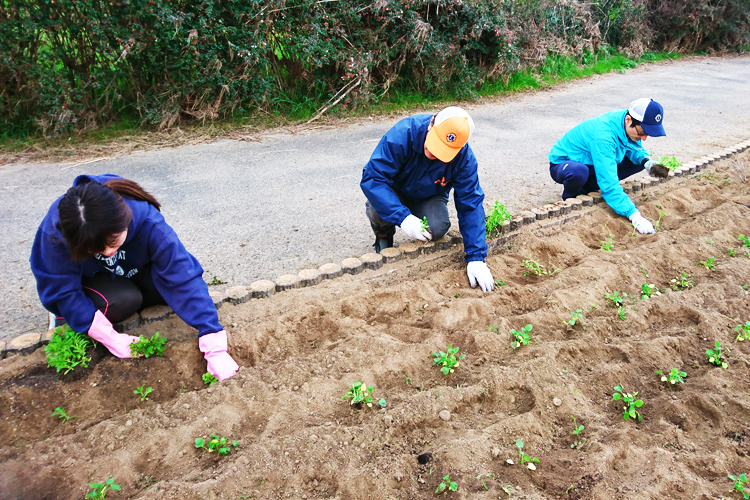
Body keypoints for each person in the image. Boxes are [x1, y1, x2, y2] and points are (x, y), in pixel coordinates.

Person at [30, 174, 238, 380]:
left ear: (125, 221)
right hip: (92, 278)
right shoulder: (57, 232)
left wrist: (214, 343)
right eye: (95, 249)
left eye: (113, 241)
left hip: (131, 268)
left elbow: (182, 274)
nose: (107, 252)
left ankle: (125, 291)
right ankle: (64, 316)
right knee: (122, 301)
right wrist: (112, 339)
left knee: (163, 290)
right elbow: (60, 289)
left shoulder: (147, 220)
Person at [361, 106, 495, 292]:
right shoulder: (404, 134)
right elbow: (373, 179)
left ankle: (413, 218)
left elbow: (471, 204)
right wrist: (403, 217)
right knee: (377, 208)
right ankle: (384, 235)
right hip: (395, 190)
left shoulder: (464, 159)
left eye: (443, 151)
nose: (433, 153)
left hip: (429, 195)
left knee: (437, 227)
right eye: (434, 143)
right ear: (431, 124)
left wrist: (476, 258)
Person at [548, 98, 670, 234]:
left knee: (637, 162)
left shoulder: (626, 122)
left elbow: (633, 148)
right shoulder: (604, 136)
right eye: (642, 133)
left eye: (647, 134)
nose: (644, 138)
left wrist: (646, 162)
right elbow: (609, 183)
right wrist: (633, 214)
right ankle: (571, 199)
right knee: (579, 172)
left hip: (592, 162)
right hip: (564, 164)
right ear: (628, 120)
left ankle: (588, 188)